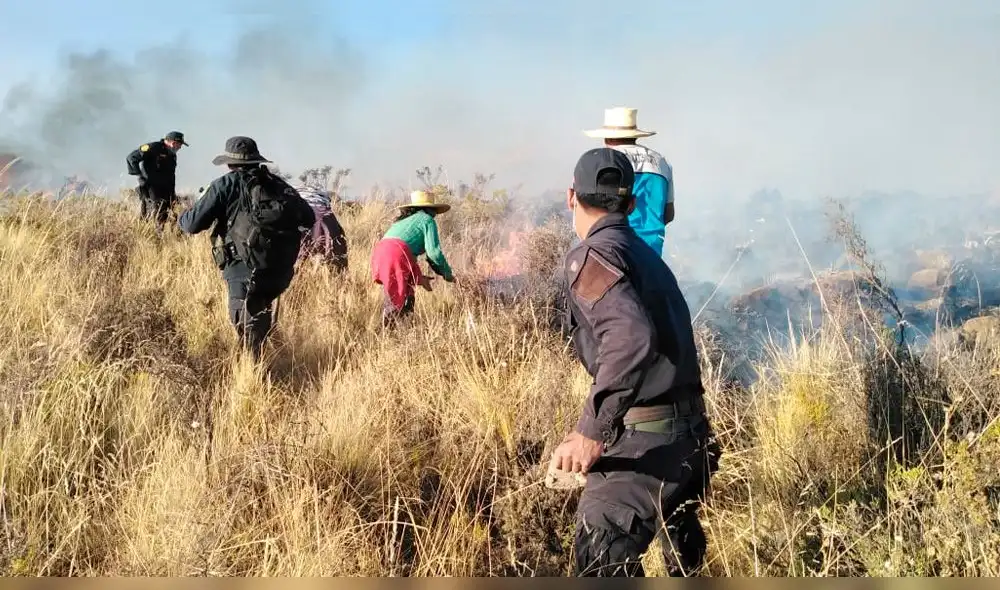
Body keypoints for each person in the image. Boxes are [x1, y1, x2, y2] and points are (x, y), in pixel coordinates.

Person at [548, 147, 719, 577]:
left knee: (600, 556)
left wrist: (590, 431)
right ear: (631, 203)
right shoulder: (646, 258)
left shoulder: (589, 256)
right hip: (691, 439)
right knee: (681, 553)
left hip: (649, 445)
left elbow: (630, 338)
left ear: (572, 196)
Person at [177, 136, 315, 360]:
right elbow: (308, 218)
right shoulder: (279, 184)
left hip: (243, 265)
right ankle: (267, 363)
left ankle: (255, 376)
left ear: (229, 163)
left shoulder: (224, 185)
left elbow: (192, 225)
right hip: (279, 267)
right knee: (259, 314)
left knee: (246, 324)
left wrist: (182, 215)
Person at [584, 108, 674, 257]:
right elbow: (668, 214)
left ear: (607, 138)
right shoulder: (661, 162)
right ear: (635, 136)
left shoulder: (604, 162)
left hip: (614, 249)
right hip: (652, 253)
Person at [370, 190, 454, 326]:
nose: (434, 215)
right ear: (429, 210)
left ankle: (400, 330)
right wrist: (447, 274)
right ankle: (388, 333)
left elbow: (408, 254)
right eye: (433, 211)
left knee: (397, 293)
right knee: (396, 300)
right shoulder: (427, 220)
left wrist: (420, 279)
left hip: (380, 253)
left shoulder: (403, 221)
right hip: (396, 253)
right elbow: (434, 253)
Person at [126, 131, 188, 233]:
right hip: (150, 189)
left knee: (163, 216)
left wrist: (173, 195)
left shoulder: (172, 155)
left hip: (165, 191)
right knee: (150, 215)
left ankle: (159, 239)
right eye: (179, 144)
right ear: (172, 142)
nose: (180, 147)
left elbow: (171, 176)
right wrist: (140, 177)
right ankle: (147, 237)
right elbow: (132, 157)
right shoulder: (153, 147)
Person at [293, 181, 349, 272]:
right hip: (324, 220)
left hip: (299, 217)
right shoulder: (327, 215)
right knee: (334, 268)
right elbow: (339, 261)